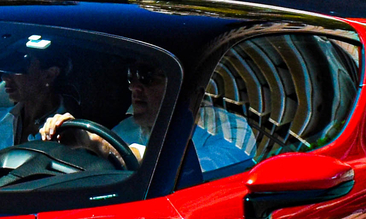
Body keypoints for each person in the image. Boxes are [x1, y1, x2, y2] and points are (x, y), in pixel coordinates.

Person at [60, 56, 254, 178]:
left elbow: (195, 175)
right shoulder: (125, 129)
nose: (133, 87)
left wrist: (99, 143)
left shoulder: (229, 127)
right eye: (131, 76)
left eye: (147, 76)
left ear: (183, 82)